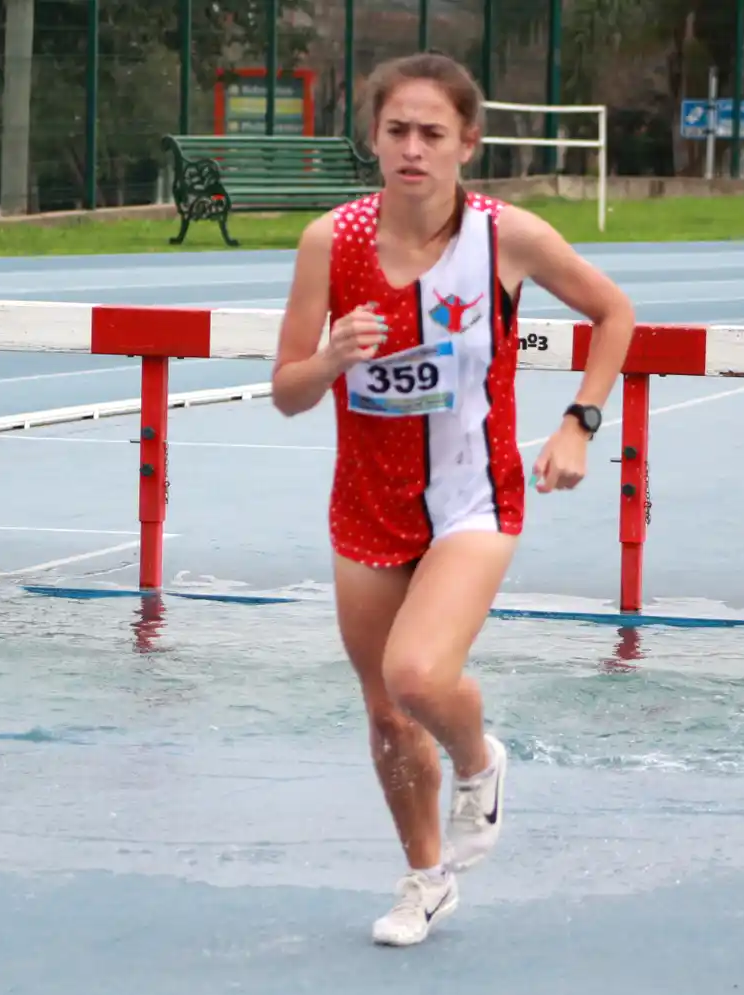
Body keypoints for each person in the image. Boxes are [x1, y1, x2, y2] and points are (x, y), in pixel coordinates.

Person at [270, 51, 635, 947]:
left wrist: (580, 424)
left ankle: (480, 760)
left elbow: (614, 314)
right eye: (397, 130)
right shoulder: (330, 243)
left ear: (467, 143)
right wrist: (331, 357)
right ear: (372, 137)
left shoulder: (507, 238)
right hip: (367, 504)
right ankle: (425, 881)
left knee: (417, 675)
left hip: (474, 499)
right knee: (386, 712)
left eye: (432, 133)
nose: (413, 148)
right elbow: (286, 390)